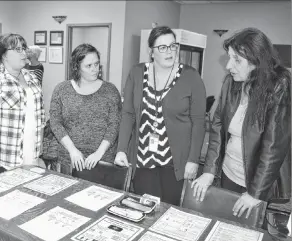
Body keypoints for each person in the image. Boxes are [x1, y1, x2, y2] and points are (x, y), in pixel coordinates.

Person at [192, 28, 291, 218]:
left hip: (256, 178)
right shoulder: (231, 82)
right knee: (225, 222)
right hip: (229, 172)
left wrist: (256, 192)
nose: (229, 65)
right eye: (229, 57)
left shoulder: (279, 86)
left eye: (237, 60)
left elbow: (274, 146)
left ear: (256, 61)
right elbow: (218, 127)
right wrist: (209, 171)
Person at [114, 26, 206, 206]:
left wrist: (193, 160)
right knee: (146, 206)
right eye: (162, 47)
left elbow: (199, 122)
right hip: (143, 158)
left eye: (173, 46)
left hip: (176, 161)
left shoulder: (191, 77)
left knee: (170, 209)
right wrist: (121, 149)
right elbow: (128, 114)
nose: (169, 51)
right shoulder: (137, 73)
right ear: (151, 52)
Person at [0, 33, 45, 176]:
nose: (24, 53)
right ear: (4, 54)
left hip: (32, 156)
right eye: (18, 49)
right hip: (5, 159)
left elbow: (40, 117)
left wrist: (38, 151)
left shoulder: (32, 79)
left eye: (24, 48)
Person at [49, 43, 122, 179]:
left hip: (102, 160)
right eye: (89, 66)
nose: (95, 69)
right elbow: (55, 123)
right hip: (69, 160)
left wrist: (99, 154)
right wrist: (72, 150)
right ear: (77, 68)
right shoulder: (61, 90)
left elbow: (114, 125)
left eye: (97, 64)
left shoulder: (110, 91)